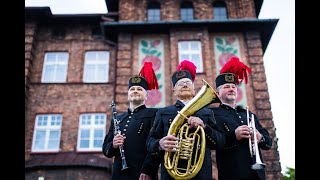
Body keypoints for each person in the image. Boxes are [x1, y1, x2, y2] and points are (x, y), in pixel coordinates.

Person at [146, 60, 225, 180]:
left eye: (188, 82)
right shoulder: (163, 112)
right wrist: (159, 144)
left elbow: (220, 142)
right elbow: (149, 142)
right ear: (174, 90)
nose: (184, 85)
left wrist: (204, 126)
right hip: (171, 175)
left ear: (194, 89)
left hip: (201, 174)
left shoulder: (207, 112)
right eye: (180, 83)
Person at [209, 56, 272, 180]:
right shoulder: (212, 113)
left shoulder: (248, 114)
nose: (231, 89)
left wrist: (260, 137)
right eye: (226, 87)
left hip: (257, 174)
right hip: (231, 173)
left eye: (233, 87)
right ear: (218, 93)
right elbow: (213, 142)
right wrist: (234, 136)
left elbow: (268, 143)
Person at [102, 62, 160, 180]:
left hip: (143, 174)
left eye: (139, 89)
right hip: (119, 174)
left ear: (146, 96)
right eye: (132, 89)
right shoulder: (118, 119)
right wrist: (113, 144)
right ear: (128, 95)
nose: (135, 91)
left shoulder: (154, 114)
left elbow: (156, 145)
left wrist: (148, 170)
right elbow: (106, 149)